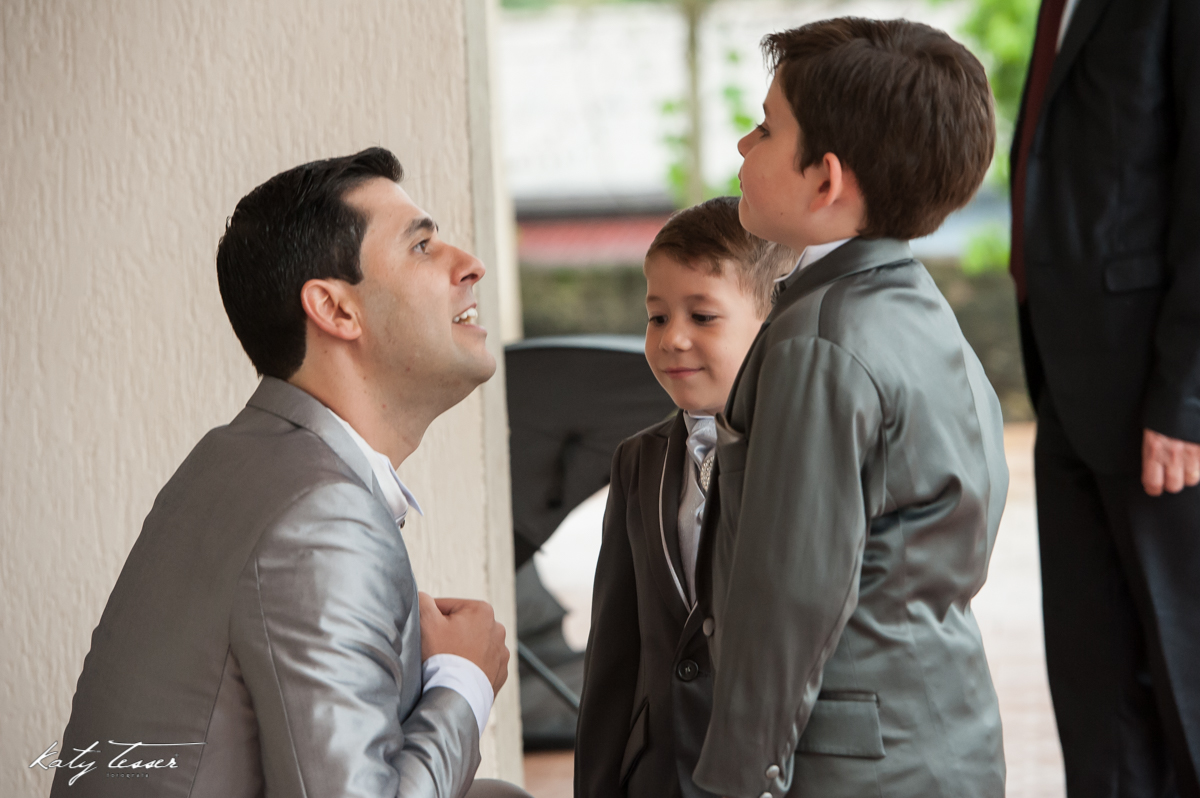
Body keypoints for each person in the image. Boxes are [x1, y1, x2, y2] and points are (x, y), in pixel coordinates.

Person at [49, 148, 530, 798]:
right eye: (421, 247)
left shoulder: (233, 462)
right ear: (335, 311)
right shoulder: (321, 512)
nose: (468, 265)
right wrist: (462, 681)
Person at [691, 19, 1009, 798]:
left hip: (852, 762)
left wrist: (738, 781)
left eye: (766, 129)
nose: (743, 145)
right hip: (945, 734)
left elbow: (787, 595)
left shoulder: (821, 339)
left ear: (825, 180)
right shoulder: (923, 313)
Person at [1010, 0, 1200, 793]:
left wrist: (1186, 401)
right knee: (1095, 692)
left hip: (1162, 399)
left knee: (1189, 680)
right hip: (1065, 373)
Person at [575, 197, 794, 798]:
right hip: (660, 776)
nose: (672, 339)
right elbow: (614, 651)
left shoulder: (799, 454)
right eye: (656, 317)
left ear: (772, 321)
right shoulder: (637, 461)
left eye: (702, 317)